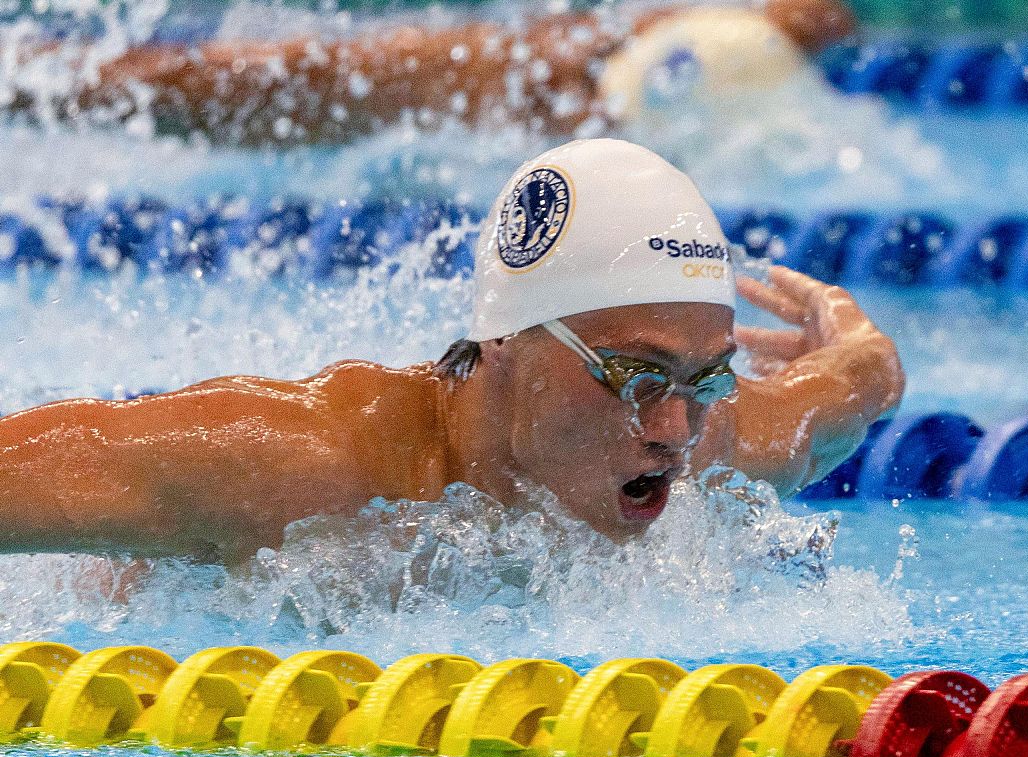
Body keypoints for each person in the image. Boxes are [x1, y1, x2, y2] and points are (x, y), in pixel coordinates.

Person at [0, 138, 903, 564]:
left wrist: (859, 346)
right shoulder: (301, 468)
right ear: (505, 340)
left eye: (708, 377)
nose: (672, 428)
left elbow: (855, 386)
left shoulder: (707, 442)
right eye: (634, 376)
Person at [23, 0, 856, 145]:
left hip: (505, 85)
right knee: (182, 88)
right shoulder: (517, 68)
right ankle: (25, 79)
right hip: (471, 73)